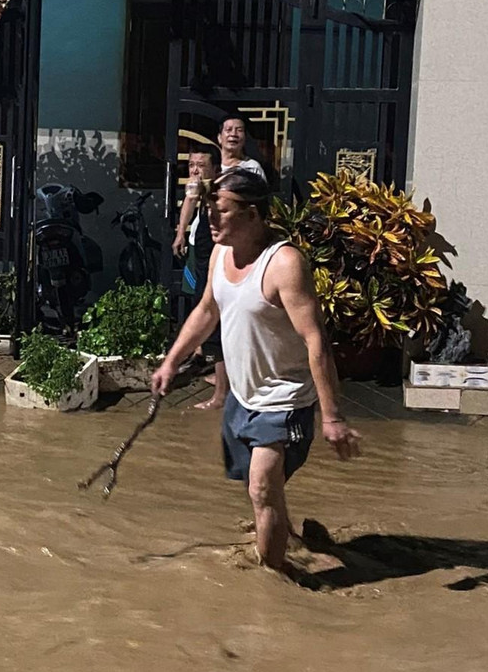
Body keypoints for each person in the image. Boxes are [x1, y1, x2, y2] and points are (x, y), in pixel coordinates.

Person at [151, 167, 362, 575]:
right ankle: (291, 536)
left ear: (253, 214)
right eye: (209, 209)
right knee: (262, 492)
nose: (210, 220)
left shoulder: (284, 264)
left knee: (262, 486)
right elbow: (206, 312)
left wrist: (332, 417)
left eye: (222, 211)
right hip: (242, 398)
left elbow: (316, 341)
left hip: (284, 400)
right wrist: (171, 361)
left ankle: (272, 581)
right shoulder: (219, 252)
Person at [171, 115, 266, 410]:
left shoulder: (249, 171)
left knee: (227, 312)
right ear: (220, 137)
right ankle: (218, 374)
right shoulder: (209, 170)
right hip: (205, 246)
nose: (233, 135)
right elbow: (190, 198)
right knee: (207, 305)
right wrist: (181, 232)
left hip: (233, 245)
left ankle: (227, 386)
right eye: (228, 130)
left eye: (239, 130)